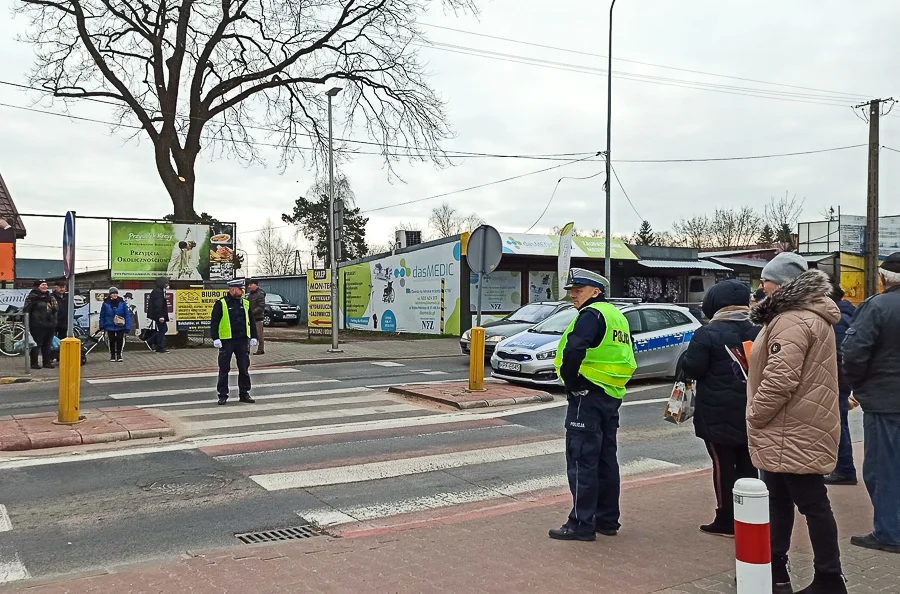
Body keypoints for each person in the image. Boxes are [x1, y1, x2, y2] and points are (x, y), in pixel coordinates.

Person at [747, 253, 845, 594]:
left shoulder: (791, 321)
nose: (761, 287)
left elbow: (780, 379)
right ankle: (778, 572)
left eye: (766, 280)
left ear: (784, 284)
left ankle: (826, 577)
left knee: (807, 501)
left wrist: (754, 414)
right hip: (800, 422)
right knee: (787, 500)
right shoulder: (810, 317)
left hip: (788, 427)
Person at [548, 268, 637, 541]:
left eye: (579, 289)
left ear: (596, 292)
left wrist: (571, 381)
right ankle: (607, 520)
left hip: (587, 395)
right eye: (572, 290)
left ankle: (580, 524)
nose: (573, 294)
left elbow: (574, 348)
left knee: (581, 460)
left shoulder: (591, 314)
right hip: (610, 394)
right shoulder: (616, 316)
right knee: (605, 459)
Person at [681, 279, 760, 536]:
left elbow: (693, 368)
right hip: (754, 408)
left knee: (722, 464)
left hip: (717, 411)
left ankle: (726, 517)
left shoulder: (707, 333)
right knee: (749, 462)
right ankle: (750, 514)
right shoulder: (760, 329)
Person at [842, 252, 900, 555]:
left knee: (883, 469)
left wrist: (858, 387)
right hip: (886, 397)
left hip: (886, 402)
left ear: (882, 279)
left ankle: (890, 532)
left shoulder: (876, 307)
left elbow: (853, 353)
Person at [825, 280, 858, 486]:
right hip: (841, 378)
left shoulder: (837, 319)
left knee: (838, 424)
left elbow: (837, 354)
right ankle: (843, 467)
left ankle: (845, 468)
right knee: (839, 422)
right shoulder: (845, 314)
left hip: (836, 378)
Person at [210, 278, 259, 405]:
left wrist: (254, 336)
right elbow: (214, 322)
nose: (242, 292)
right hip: (227, 341)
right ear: (232, 290)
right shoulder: (221, 303)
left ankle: (244, 394)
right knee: (224, 369)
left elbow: (251, 321)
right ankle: (222, 395)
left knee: (244, 368)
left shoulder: (245, 303)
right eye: (240, 289)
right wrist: (215, 338)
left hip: (242, 340)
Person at [23, 280, 58, 369]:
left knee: (47, 344)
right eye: (42, 285)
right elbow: (26, 309)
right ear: (37, 286)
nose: (45, 286)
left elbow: (55, 309)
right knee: (36, 344)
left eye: (46, 285)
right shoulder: (32, 297)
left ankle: (46, 362)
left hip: (50, 324)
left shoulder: (50, 297)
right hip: (37, 325)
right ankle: (34, 363)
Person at [99, 287, 130, 362]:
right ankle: (112, 355)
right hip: (109, 324)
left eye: (116, 293)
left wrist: (127, 326)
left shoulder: (122, 302)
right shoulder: (106, 303)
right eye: (113, 293)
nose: (115, 294)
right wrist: (101, 324)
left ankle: (119, 355)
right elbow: (102, 315)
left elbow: (127, 315)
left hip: (120, 324)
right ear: (110, 294)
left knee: (120, 339)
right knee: (111, 340)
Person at [147, 277, 170, 353]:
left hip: (157, 315)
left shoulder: (157, 291)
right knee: (163, 330)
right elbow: (158, 305)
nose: (167, 284)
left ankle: (152, 340)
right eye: (165, 283)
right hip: (159, 315)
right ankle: (159, 347)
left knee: (163, 329)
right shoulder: (158, 292)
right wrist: (161, 316)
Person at [247, 280, 266, 355]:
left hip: (258, 318)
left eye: (250, 285)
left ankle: (261, 349)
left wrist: (252, 313)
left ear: (256, 285)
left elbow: (261, 306)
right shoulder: (250, 295)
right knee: (248, 334)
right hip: (250, 318)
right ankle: (247, 349)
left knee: (259, 335)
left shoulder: (260, 294)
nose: (249, 286)